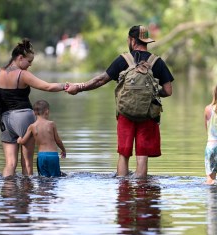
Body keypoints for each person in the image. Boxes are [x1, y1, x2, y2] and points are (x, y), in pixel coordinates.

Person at [66, 25, 174, 178]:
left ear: (131, 40)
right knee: (142, 155)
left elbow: (100, 80)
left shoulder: (123, 60)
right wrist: (153, 91)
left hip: (125, 114)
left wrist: (79, 87)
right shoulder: (157, 61)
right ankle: (142, 191)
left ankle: (123, 190)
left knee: (124, 154)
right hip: (148, 115)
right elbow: (168, 91)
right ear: (146, 41)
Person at [0, 38, 68, 178]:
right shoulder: (22, 74)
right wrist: (66, 86)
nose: (30, 65)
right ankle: (27, 196)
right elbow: (47, 86)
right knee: (26, 162)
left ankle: (8, 197)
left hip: (4, 120)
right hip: (23, 118)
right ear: (20, 58)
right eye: (29, 61)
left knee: (10, 163)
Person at [17, 100, 66, 177]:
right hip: (52, 156)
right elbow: (58, 141)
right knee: (55, 178)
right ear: (47, 111)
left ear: (34, 112)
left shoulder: (32, 126)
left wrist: (19, 139)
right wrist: (63, 150)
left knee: (43, 179)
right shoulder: (51, 124)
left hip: (41, 156)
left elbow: (23, 141)